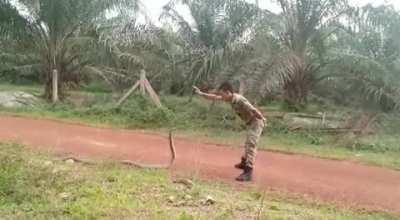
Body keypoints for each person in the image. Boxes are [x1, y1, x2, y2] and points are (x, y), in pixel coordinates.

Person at [193, 82, 266, 181]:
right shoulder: (229, 99)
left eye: (222, 94)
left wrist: (262, 119)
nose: (221, 97)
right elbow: (213, 97)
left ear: (228, 92)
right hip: (250, 123)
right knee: (248, 143)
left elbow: (253, 109)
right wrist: (201, 93)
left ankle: (248, 172)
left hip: (256, 123)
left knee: (251, 144)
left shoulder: (239, 99)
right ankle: (244, 162)